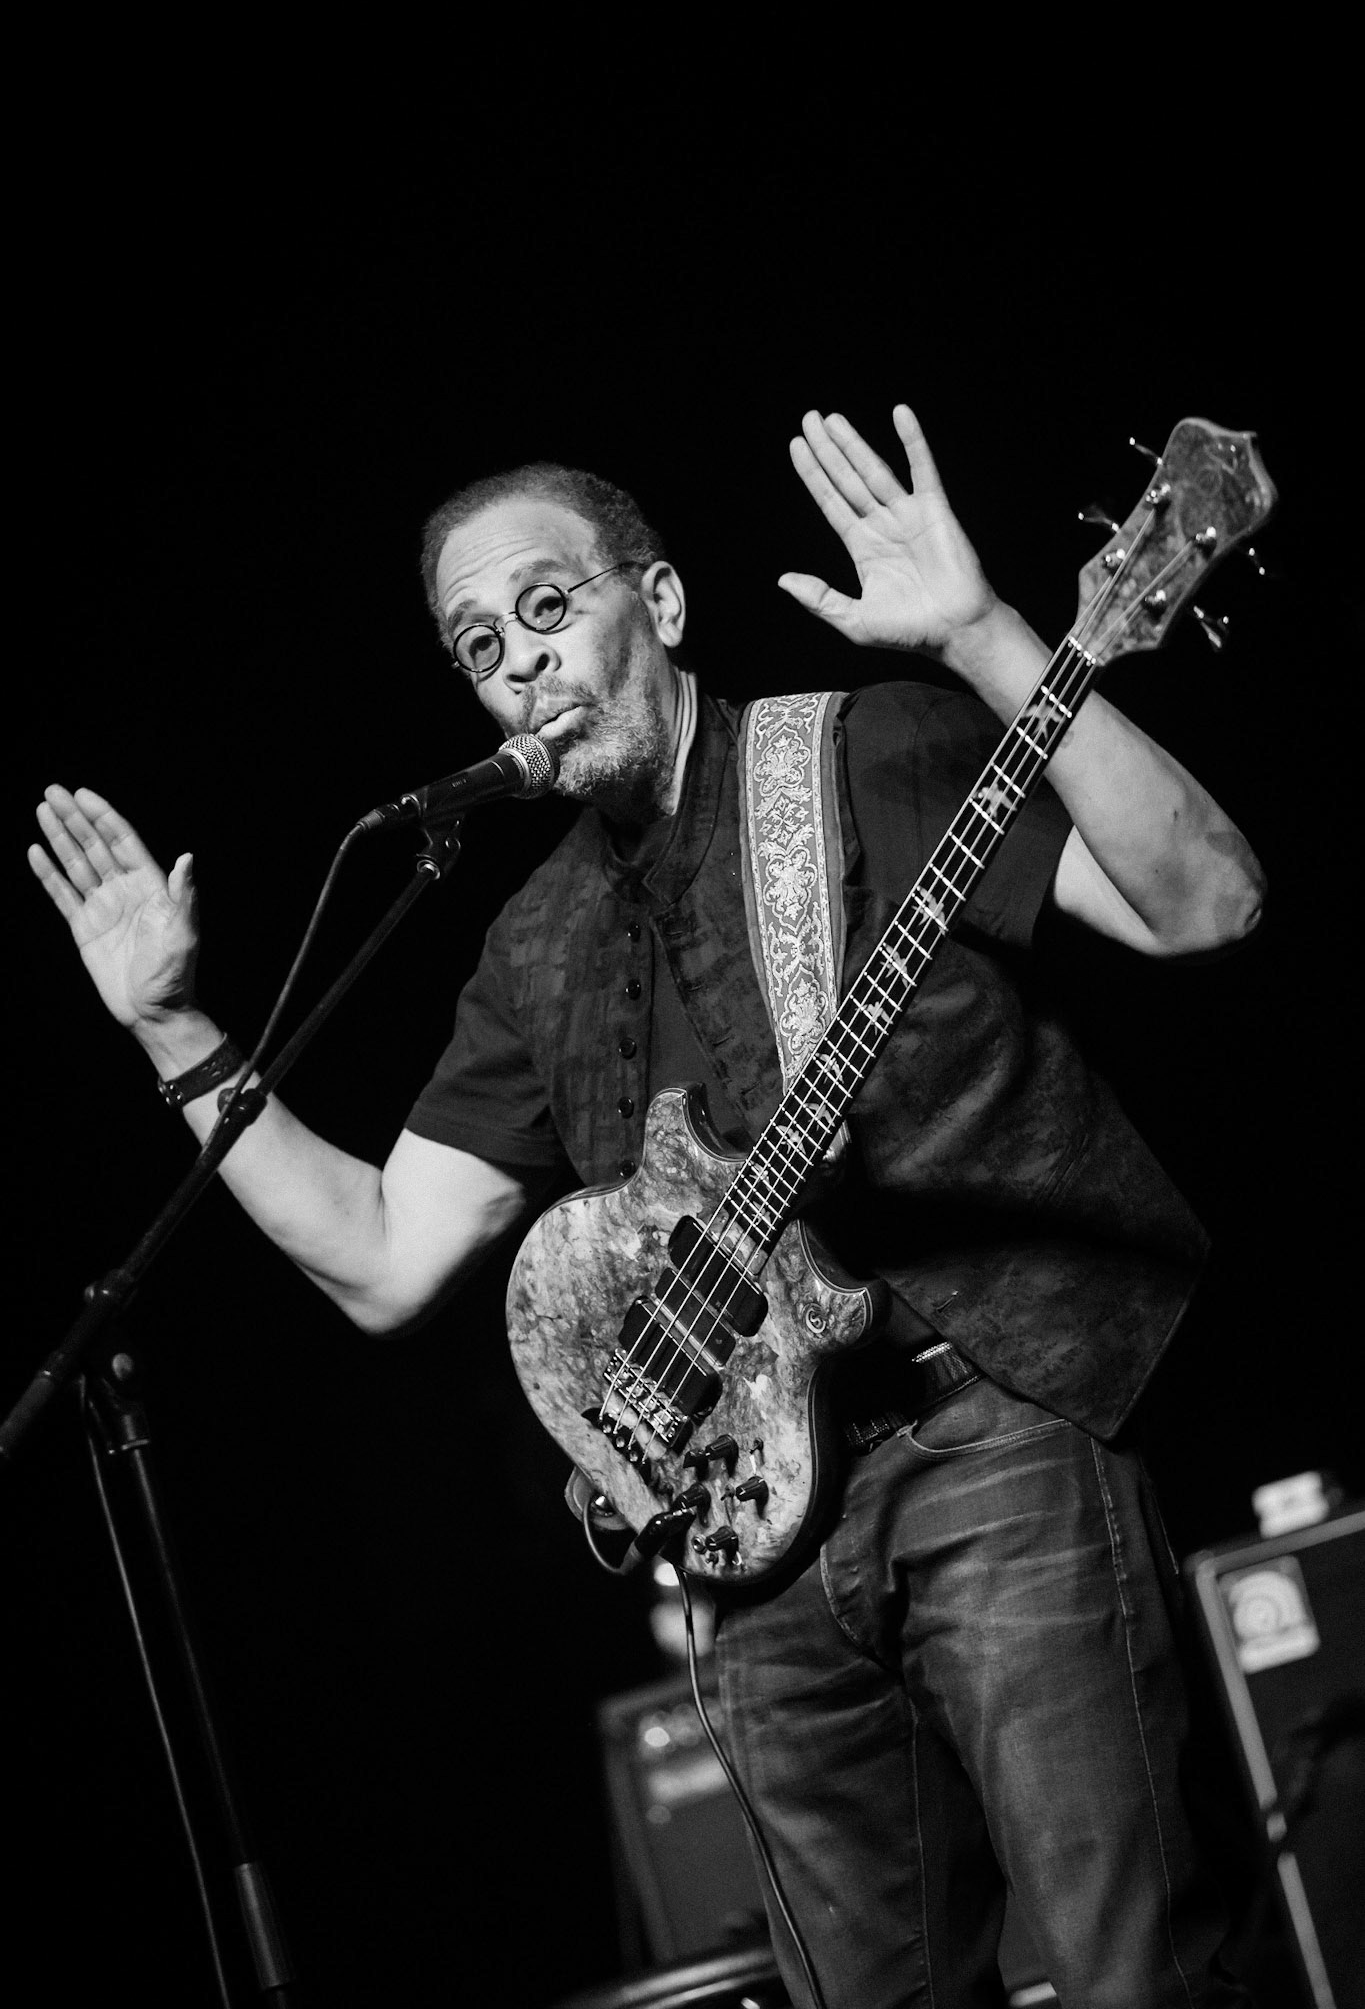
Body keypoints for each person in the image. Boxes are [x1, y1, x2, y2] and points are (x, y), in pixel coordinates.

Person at [30, 406, 1263, 2007]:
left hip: (986, 1443)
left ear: (658, 605)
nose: (520, 663)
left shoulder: (869, 751)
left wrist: (980, 631)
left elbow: (1208, 902)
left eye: (548, 608)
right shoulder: (530, 943)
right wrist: (180, 1037)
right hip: (751, 1540)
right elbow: (386, 1260)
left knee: (1128, 1972)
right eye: (481, 645)